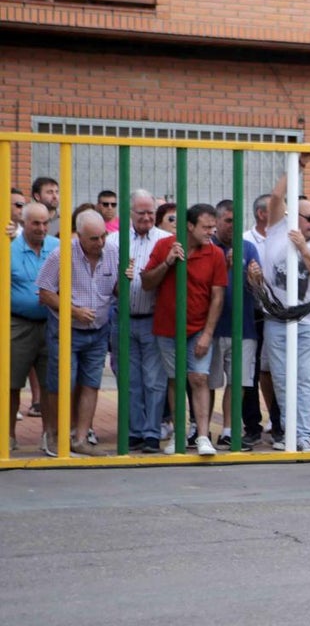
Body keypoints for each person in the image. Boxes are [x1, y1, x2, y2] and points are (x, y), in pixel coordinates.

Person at [248, 155, 310, 452]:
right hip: (278, 319)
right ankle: (290, 433)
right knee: (282, 380)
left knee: (306, 380)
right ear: (293, 216)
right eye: (309, 218)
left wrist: (303, 248)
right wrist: (297, 166)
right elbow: (275, 196)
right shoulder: (276, 228)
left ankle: (305, 437)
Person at [142, 203, 228, 456]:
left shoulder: (215, 255)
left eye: (214, 226)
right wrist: (168, 263)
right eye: (206, 227)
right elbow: (146, 282)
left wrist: (208, 333)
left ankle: (202, 436)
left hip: (199, 328)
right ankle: (179, 434)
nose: (211, 232)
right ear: (190, 226)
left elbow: (217, 297)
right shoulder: (164, 246)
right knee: (175, 379)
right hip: (168, 328)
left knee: (199, 378)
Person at [36, 210, 120, 457]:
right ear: (79, 235)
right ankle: (54, 434)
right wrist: (74, 311)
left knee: (91, 383)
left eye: (103, 236)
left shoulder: (112, 253)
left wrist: (124, 280)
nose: (100, 243)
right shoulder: (61, 254)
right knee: (62, 383)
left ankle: (80, 437)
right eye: (94, 238)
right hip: (67, 329)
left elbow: (115, 289)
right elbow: (45, 292)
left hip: (98, 329)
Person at [209, 199, 262, 451]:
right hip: (211, 327)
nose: (232, 226)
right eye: (228, 220)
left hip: (244, 328)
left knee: (238, 382)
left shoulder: (248, 248)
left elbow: (258, 288)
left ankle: (230, 430)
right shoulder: (207, 248)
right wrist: (223, 267)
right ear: (217, 221)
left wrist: (255, 279)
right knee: (207, 381)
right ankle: (201, 429)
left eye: (236, 221)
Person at [8, 201, 59, 451]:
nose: (41, 228)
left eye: (45, 223)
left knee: (52, 384)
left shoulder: (57, 247)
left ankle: (50, 435)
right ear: (23, 223)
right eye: (35, 223)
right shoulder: (8, 250)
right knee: (11, 382)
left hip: (51, 323)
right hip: (18, 324)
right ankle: (8, 435)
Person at [120, 189, 167, 453]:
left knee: (154, 380)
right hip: (123, 319)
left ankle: (152, 432)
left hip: (153, 318)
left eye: (151, 212)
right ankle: (134, 431)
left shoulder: (165, 239)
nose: (147, 217)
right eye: (142, 212)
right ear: (130, 214)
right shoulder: (115, 241)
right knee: (130, 380)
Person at [243, 193, 280, 446]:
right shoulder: (246, 240)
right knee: (250, 372)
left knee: (276, 370)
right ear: (261, 214)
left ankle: (279, 423)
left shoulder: (283, 238)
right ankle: (252, 426)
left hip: (278, 314)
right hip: (252, 313)